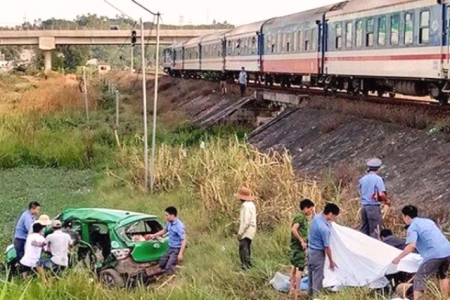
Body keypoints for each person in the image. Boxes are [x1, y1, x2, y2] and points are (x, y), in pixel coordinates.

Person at [392, 205, 450, 300]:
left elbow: (411, 246)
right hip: (447, 250)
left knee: (419, 278)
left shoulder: (412, 227)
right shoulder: (428, 221)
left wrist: (398, 258)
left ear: (406, 216)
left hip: (434, 255)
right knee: (442, 275)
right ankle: (445, 298)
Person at [308, 203, 340, 298]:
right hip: (317, 253)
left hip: (310, 251)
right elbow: (327, 247)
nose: (334, 218)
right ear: (330, 214)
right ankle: (316, 297)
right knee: (318, 277)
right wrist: (331, 261)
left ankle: (310, 296)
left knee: (311, 276)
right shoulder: (324, 229)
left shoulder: (316, 218)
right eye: (334, 216)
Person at [146, 206, 187, 275]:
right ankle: (173, 266)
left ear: (172, 215)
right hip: (170, 247)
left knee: (168, 267)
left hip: (176, 249)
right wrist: (153, 235)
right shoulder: (169, 222)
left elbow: (184, 240)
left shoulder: (179, 226)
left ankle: (174, 272)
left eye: (167, 215)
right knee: (162, 263)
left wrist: (180, 253)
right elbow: (165, 230)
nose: (165, 217)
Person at [289, 199, 315, 299]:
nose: (310, 211)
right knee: (300, 268)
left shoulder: (301, 216)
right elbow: (294, 229)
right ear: (305, 208)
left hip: (296, 246)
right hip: (298, 247)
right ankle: (297, 291)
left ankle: (292, 289)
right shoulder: (300, 217)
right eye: (310, 209)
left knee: (294, 266)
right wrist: (301, 241)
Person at [359, 158, 390, 238]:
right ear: (378, 168)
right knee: (375, 231)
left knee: (364, 230)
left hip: (364, 207)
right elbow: (381, 194)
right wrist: (387, 201)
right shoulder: (378, 179)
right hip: (373, 207)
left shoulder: (362, 179)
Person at [235, 187, 257, 270]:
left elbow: (246, 221)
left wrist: (240, 233)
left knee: (243, 248)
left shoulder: (245, 206)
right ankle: (248, 265)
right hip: (251, 229)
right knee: (247, 247)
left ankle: (245, 266)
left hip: (247, 230)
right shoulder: (251, 204)